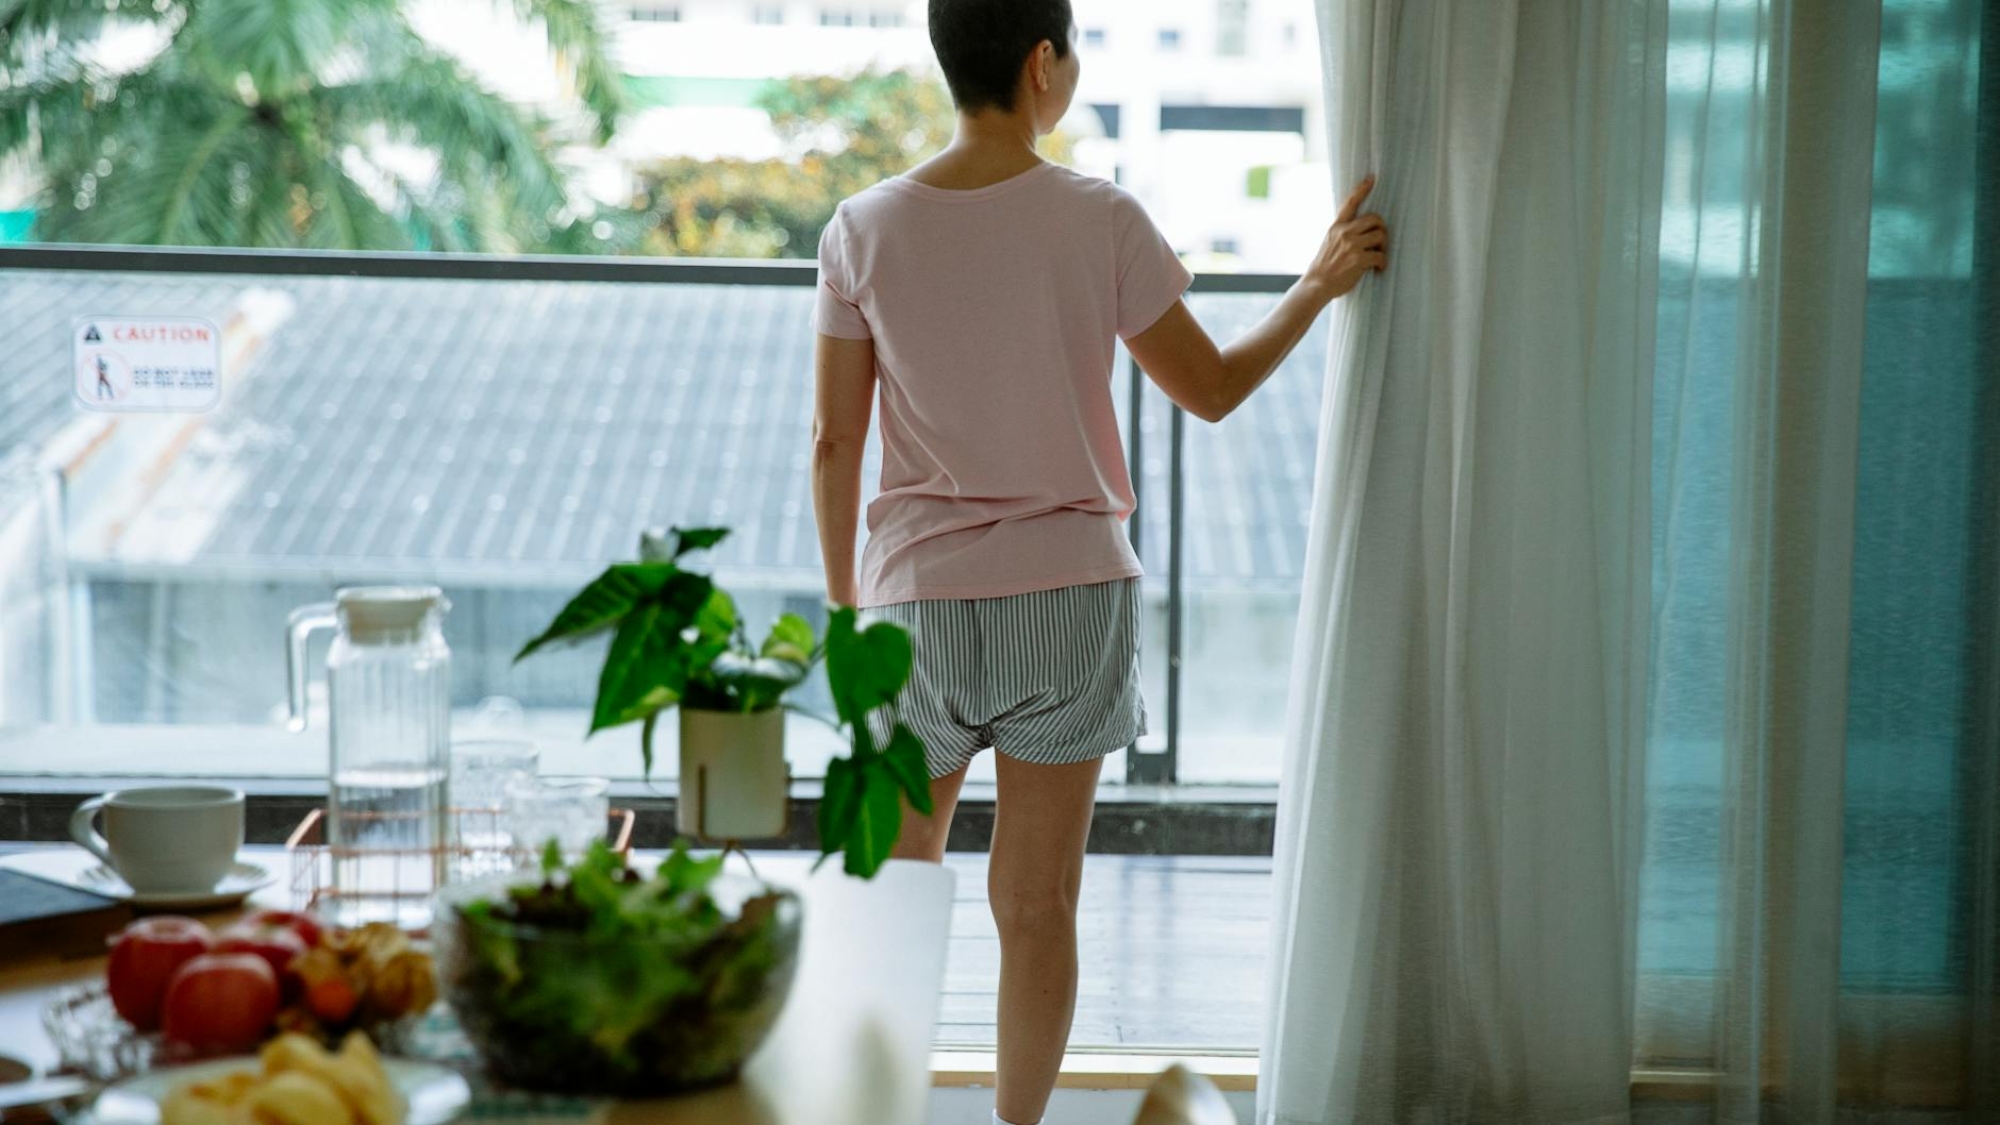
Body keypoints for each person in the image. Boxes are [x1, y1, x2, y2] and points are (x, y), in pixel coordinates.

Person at [810, 2, 1387, 1121]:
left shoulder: (860, 228)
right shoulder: (1099, 217)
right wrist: (1315, 285)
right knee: (1035, 906)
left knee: (889, 890)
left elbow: (834, 443)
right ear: (1042, 63)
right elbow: (1210, 390)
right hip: (1070, 600)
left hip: (911, 609)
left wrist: (847, 611)